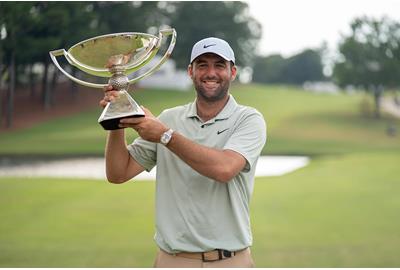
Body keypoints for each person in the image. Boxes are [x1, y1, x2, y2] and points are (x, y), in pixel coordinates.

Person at [100, 37, 267, 268]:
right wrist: (117, 116)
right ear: (191, 71)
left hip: (230, 261)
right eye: (202, 65)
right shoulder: (169, 118)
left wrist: (165, 136)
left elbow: (224, 169)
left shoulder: (248, 119)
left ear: (233, 72)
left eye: (219, 65)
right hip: (173, 260)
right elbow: (118, 173)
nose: (211, 72)